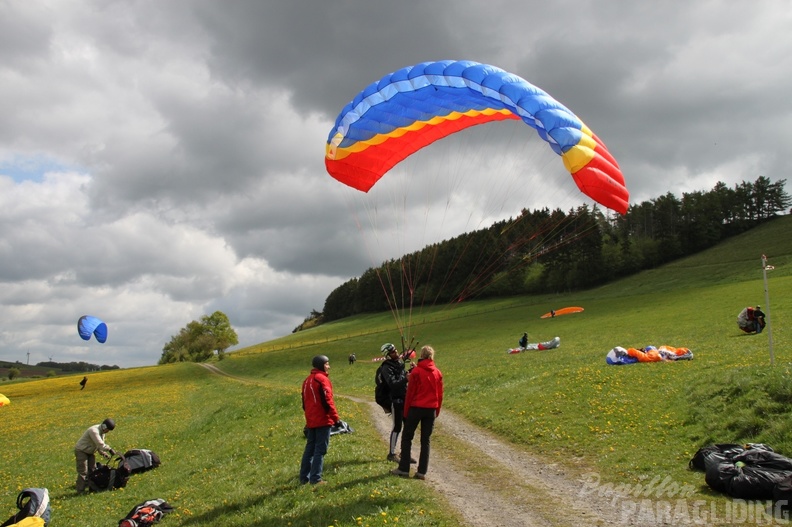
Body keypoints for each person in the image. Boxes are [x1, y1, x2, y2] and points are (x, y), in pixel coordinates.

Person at [391, 345, 444, 480]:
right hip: (431, 409)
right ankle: (422, 472)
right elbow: (440, 395)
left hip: (416, 408)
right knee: (426, 440)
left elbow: (410, 394)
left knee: (407, 437)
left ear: (421, 355)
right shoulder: (437, 373)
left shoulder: (416, 372)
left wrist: (406, 412)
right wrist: (436, 411)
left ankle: (403, 468)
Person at [300, 355, 340, 485]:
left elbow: (304, 403)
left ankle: (303, 478)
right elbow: (328, 401)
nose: (329, 366)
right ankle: (316, 479)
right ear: (321, 365)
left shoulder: (307, 381)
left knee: (310, 449)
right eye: (327, 364)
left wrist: (309, 418)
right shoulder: (322, 379)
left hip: (311, 420)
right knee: (320, 450)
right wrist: (336, 419)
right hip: (323, 420)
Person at [379, 343, 414, 464]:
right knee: (397, 427)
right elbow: (393, 384)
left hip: (405, 398)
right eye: (393, 352)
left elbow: (402, 376)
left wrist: (411, 371)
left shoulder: (398, 363)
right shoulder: (386, 368)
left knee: (408, 427)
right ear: (388, 355)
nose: (396, 352)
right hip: (396, 400)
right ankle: (392, 453)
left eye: (395, 350)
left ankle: (405, 454)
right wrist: (406, 379)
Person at [74, 418, 116, 493]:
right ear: (104, 426)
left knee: (93, 470)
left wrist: (103, 453)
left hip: (90, 451)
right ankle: (80, 491)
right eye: (108, 429)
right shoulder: (93, 431)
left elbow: (97, 445)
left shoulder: (102, 433)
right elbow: (100, 444)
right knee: (83, 471)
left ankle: (92, 487)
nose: (108, 431)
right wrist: (110, 449)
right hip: (81, 451)